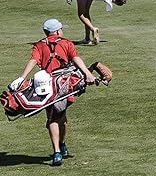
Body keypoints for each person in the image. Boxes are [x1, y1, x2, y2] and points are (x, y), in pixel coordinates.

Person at [10, 19, 97, 167]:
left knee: (59, 117)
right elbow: (76, 59)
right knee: (56, 118)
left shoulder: (39, 45)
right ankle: (58, 151)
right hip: (64, 85)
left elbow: (33, 61)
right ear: (57, 31)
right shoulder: (66, 43)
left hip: (46, 86)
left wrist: (21, 78)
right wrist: (88, 74)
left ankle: (61, 146)